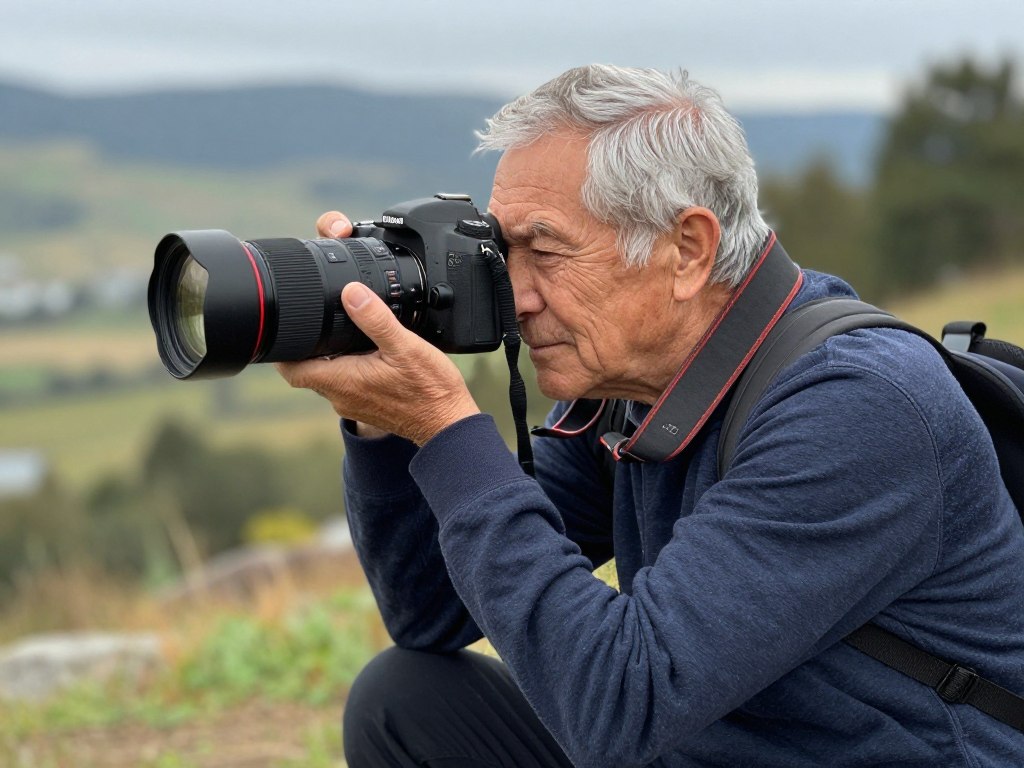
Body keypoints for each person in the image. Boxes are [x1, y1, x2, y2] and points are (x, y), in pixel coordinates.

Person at [275, 65, 1024, 767]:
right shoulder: (632, 387)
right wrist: (381, 425)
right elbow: (430, 611)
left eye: (545, 251)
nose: (517, 298)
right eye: (504, 253)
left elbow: (620, 705)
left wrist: (447, 429)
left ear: (688, 250)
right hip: (709, 745)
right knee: (406, 703)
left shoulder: (856, 407)